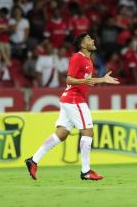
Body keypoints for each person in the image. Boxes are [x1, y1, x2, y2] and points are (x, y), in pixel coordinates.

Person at [25, 33, 120, 180]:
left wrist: (102, 79)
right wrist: (86, 81)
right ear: (82, 44)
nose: (93, 40)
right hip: (74, 100)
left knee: (62, 133)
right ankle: (86, 171)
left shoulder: (88, 60)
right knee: (88, 132)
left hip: (69, 99)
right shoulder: (77, 57)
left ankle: (33, 160)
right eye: (88, 39)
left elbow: (86, 81)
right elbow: (69, 78)